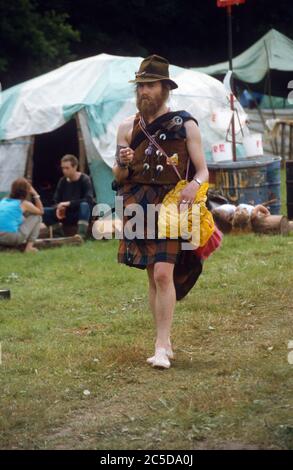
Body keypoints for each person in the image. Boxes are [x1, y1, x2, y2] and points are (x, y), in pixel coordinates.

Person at [113, 55, 211, 369]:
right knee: (152, 279)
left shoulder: (186, 124)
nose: (144, 91)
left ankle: (160, 345)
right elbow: (118, 177)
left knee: (164, 273)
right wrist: (124, 162)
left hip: (172, 205)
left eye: (151, 85)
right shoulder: (127, 126)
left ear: (165, 88)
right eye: (141, 85)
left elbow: (203, 171)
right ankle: (163, 340)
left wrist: (194, 185)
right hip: (137, 203)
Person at [43, 154, 94, 239]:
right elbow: (55, 201)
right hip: (65, 214)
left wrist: (69, 203)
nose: (64, 170)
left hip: (80, 214)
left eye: (67, 168)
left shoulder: (84, 179)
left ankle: (81, 235)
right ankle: (58, 234)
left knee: (84, 205)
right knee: (44, 211)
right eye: (63, 168)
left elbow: (89, 200)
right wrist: (59, 208)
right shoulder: (62, 181)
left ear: (75, 167)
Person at [0, 178, 43, 252]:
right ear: (26, 191)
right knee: (37, 217)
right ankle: (29, 248)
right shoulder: (23, 203)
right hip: (11, 238)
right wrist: (35, 194)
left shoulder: (3, 200)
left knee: (22, 218)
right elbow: (41, 211)